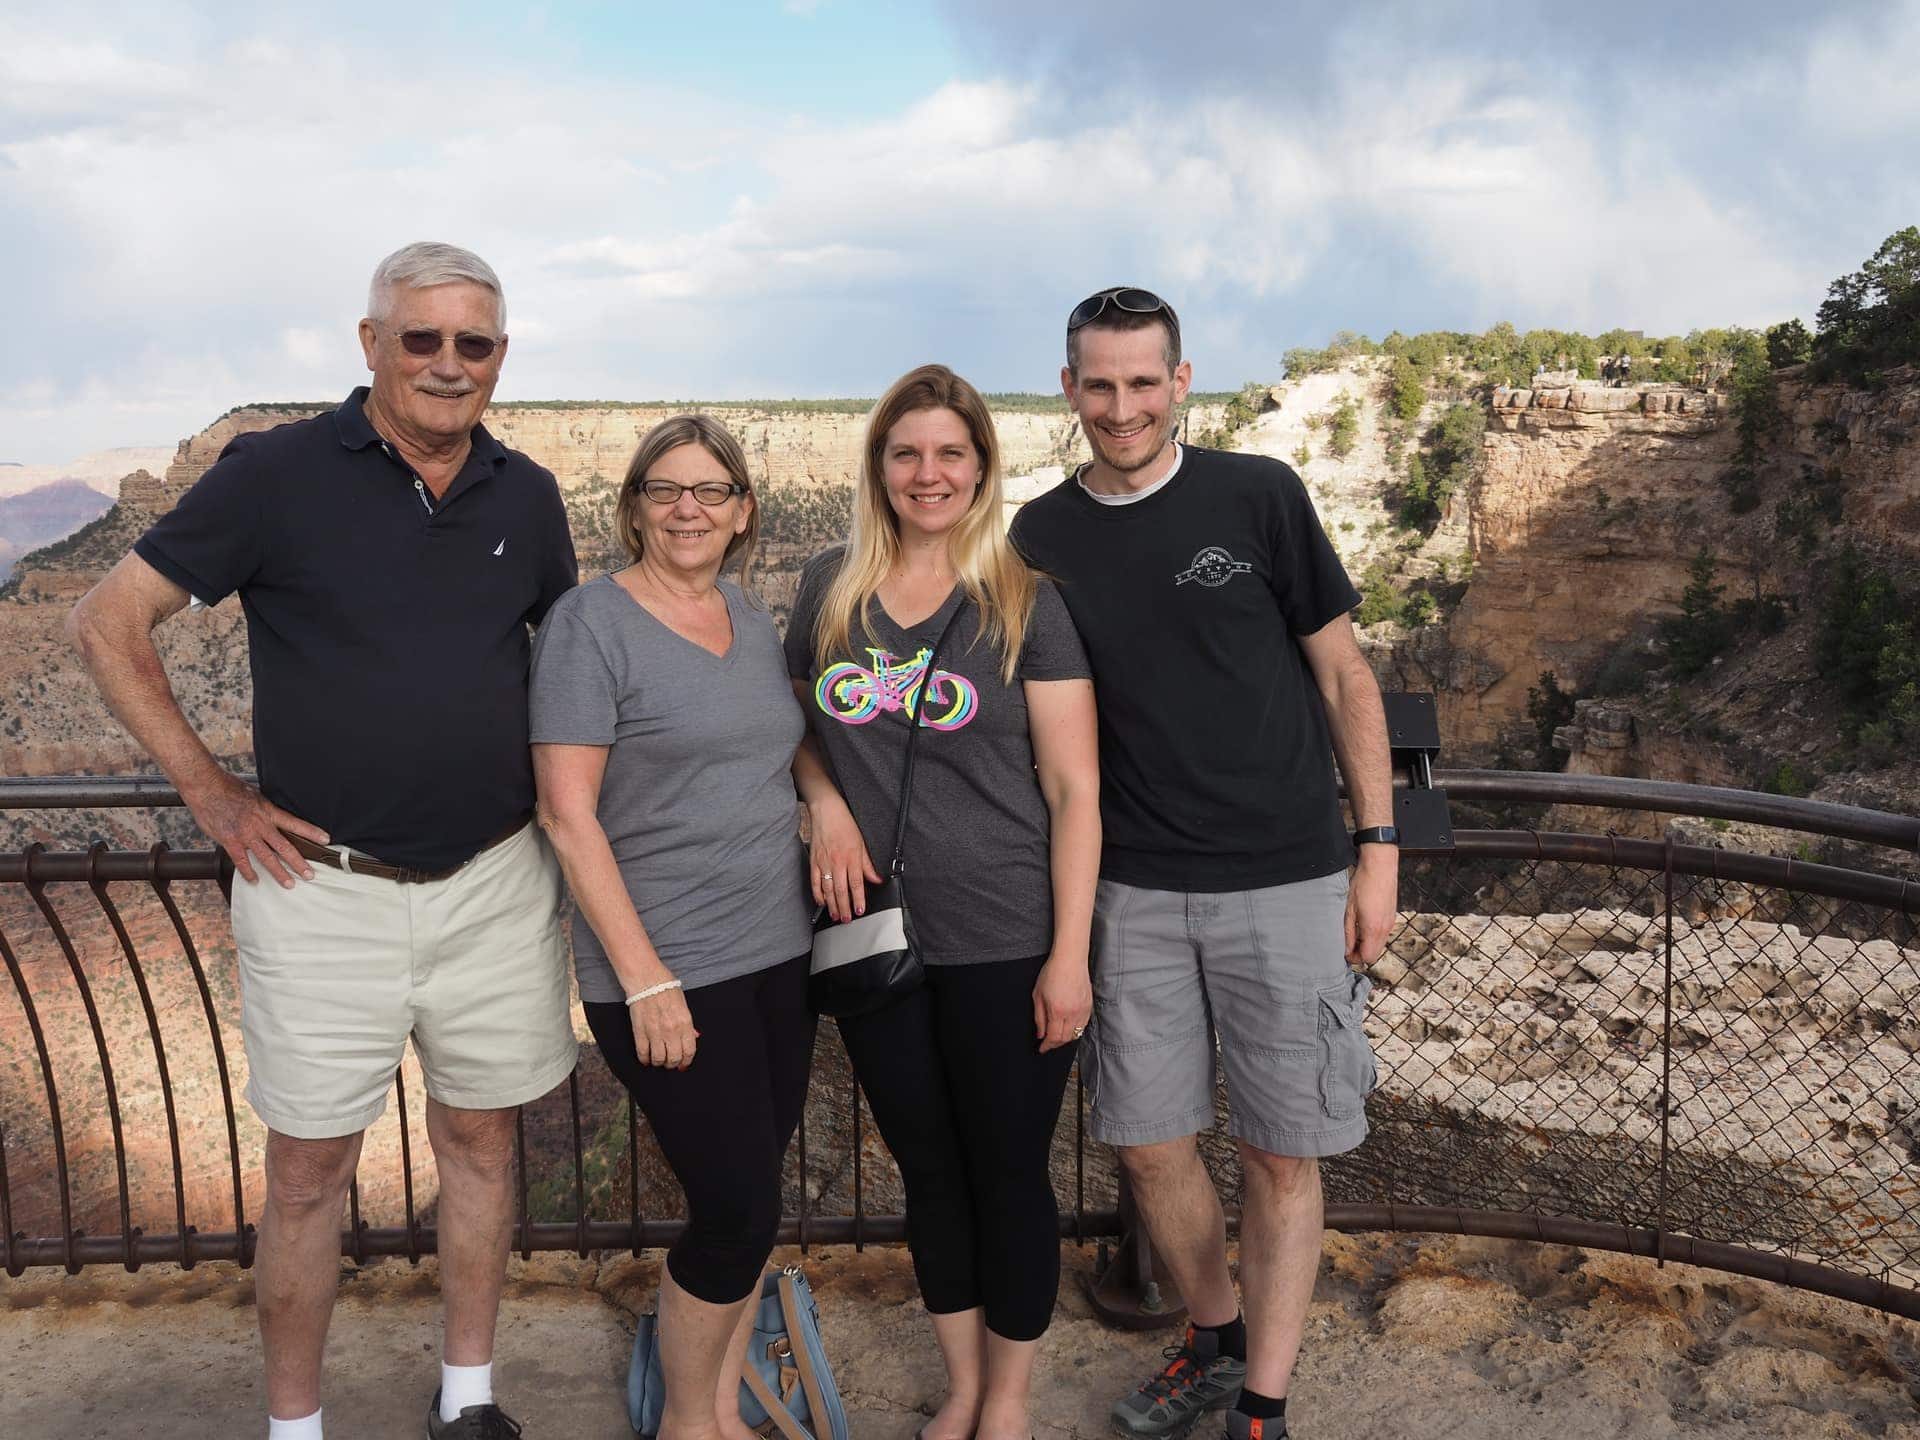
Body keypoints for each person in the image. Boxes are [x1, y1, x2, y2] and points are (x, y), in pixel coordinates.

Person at [66, 242, 579, 1439]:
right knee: (305, 1179)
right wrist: (213, 796)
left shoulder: (529, 494)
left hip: (499, 881)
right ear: (370, 344)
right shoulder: (274, 473)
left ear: (500, 358)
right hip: (321, 887)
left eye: (475, 344)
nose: (449, 365)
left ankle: (470, 1397)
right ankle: (294, 1426)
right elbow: (103, 620)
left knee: (482, 1151)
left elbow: (571, 670)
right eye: (423, 339)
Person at [1008, 288, 1398, 1440]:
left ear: (1181, 383)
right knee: (1143, 1137)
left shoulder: (1259, 496)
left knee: (1282, 1153)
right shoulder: (1040, 537)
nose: (1121, 407)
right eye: (1099, 384)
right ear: (1068, 387)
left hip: (1284, 877)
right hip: (1132, 888)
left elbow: (1346, 678)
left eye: (1143, 382)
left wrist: (1375, 850)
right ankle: (1214, 1333)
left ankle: (1262, 1404)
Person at [785, 364, 1100, 1440]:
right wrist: (825, 804)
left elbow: (1073, 788)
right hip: (871, 931)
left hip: (1006, 935)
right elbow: (795, 732)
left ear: (981, 468)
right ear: (880, 466)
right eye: (907, 453)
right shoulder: (830, 586)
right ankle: (962, 1383)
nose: (929, 474)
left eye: (949, 454)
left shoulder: (1025, 604)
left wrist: (1070, 956)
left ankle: (1006, 1402)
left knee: (1008, 1171)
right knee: (927, 1168)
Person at [530, 414, 814, 1440]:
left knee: (748, 1209)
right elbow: (568, 814)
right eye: (665, 490)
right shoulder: (590, 625)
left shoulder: (745, 610)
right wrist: (647, 979)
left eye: (710, 491)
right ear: (634, 507)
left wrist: (821, 804)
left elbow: (780, 747)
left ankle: (721, 1404)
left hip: (779, 952)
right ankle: (692, 1424)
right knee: (737, 1209)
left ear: (742, 513)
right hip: (668, 972)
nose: (688, 508)